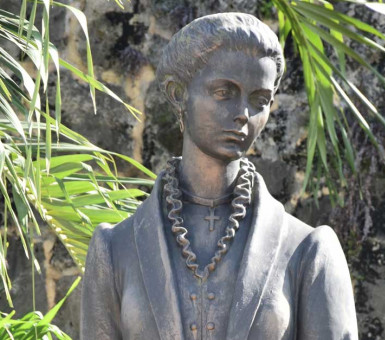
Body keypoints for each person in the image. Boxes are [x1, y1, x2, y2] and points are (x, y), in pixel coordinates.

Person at [80, 12, 358, 340]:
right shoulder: (114, 250)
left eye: (259, 100)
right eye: (225, 92)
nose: (243, 114)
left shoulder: (308, 251)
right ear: (178, 93)